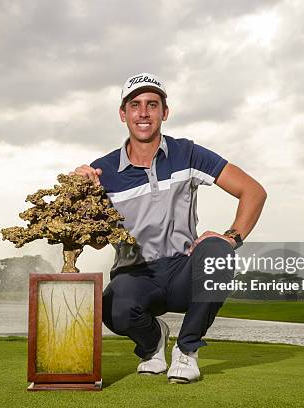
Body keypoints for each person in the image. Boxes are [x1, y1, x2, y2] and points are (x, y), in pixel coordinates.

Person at [72, 72, 266, 383]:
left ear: (165, 111)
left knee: (217, 252)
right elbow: (95, 241)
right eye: (135, 105)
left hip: (182, 271)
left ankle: (187, 351)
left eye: (152, 104)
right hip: (135, 273)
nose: (144, 113)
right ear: (123, 114)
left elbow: (253, 191)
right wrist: (78, 192)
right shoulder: (103, 170)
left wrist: (232, 237)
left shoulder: (187, 153)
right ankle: (153, 343)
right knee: (112, 308)